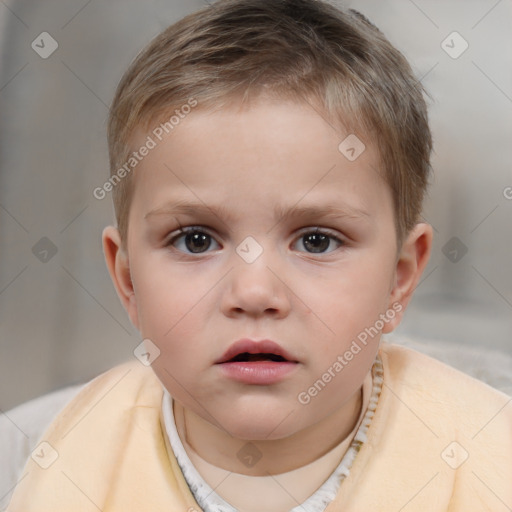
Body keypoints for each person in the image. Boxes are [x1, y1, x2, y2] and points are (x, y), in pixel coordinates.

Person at [7, 0, 512, 510]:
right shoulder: (43, 461)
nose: (253, 293)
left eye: (316, 241)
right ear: (129, 280)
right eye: (196, 240)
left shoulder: (488, 462)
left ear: (399, 279)